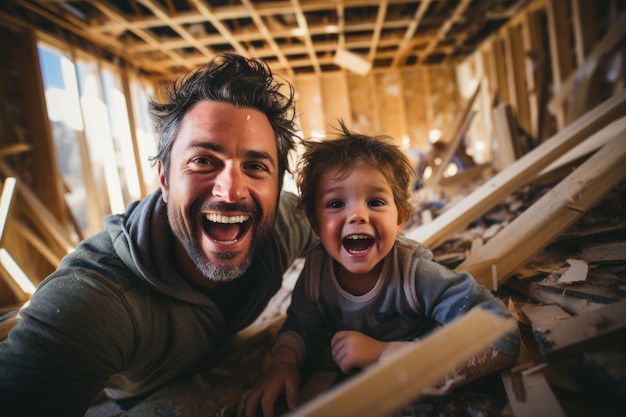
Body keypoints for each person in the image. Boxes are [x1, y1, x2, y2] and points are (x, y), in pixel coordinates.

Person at [0, 54, 316, 417]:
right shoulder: (97, 303)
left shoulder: (283, 229)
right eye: (203, 161)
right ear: (164, 179)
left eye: (256, 166)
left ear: (277, 189)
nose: (231, 191)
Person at [239, 121, 520, 417]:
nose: (358, 214)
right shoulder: (315, 273)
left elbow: (501, 334)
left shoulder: (415, 275)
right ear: (314, 222)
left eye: (375, 201)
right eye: (336, 203)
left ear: (400, 218)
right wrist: (283, 362)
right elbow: (301, 329)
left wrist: (383, 354)